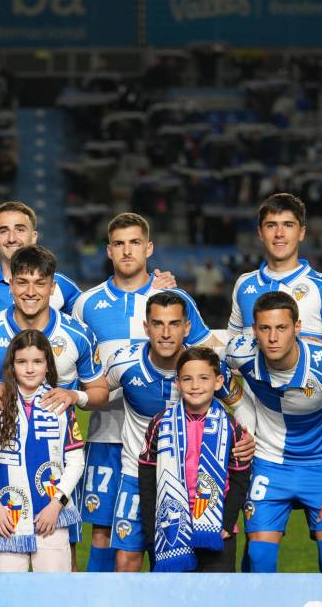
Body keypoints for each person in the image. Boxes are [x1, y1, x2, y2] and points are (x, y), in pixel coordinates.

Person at [72, 212, 212, 573]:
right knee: (104, 532)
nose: (127, 251)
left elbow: (206, 355)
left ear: (148, 248)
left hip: (167, 443)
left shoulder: (171, 297)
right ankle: (102, 605)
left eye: (135, 242)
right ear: (108, 251)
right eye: (118, 244)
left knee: (165, 534)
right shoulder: (87, 303)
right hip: (106, 435)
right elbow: (80, 366)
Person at [0, 244, 108, 570]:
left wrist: (75, 397)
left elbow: (99, 392)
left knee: (60, 560)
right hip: (2, 460)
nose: (30, 291)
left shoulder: (77, 333)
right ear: (11, 285)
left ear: (52, 287)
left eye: (40, 283)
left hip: (55, 468)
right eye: (22, 282)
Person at [105, 293, 253, 572]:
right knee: (128, 559)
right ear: (146, 327)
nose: (165, 333)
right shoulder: (123, 362)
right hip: (141, 474)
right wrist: (76, 396)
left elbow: (242, 406)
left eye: (174, 324)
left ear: (187, 327)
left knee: (211, 572)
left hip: (201, 485)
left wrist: (247, 438)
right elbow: (97, 391)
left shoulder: (205, 365)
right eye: (157, 324)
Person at [226, 291, 322, 573]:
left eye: (281, 327)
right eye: (265, 328)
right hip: (269, 462)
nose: (273, 337)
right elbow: (211, 364)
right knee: (259, 555)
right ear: (254, 330)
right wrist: (239, 403)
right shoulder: (240, 352)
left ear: (297, 327)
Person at [0, 331, 86, 572]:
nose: (29, 369)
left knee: (54, 588)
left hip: (52, 515)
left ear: (48, 365)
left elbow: (76, 461)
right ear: (11, 366)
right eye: (21, 362)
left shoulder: (60, 403)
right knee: (6, 589)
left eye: (37, 361)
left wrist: (56, 505)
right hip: (7, 516)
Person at [137, 346, 248, 572]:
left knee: (216, 592)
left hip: (216, 527)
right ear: (178, 383)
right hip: (171, 528)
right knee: (171, 593)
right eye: (187, 379)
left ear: (218, 382)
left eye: (204, 378)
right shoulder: (160, 423)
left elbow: (240, 477)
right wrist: (151, 530)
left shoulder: (231, 425)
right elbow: (147, 478)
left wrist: (227, 522)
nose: (195, 386)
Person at [229, 193, 322, 359]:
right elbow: (231, 344)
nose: (279, 233)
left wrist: (303, 348)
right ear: (260, 233)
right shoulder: (244, 284)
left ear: (301, 232)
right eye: (271, 225)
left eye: (288, 225)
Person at [0, 201, 81, 322]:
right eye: (4, 231)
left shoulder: (60, 285)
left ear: (33, 237)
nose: (12, 239)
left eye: (20, 230)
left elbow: (86, 324)